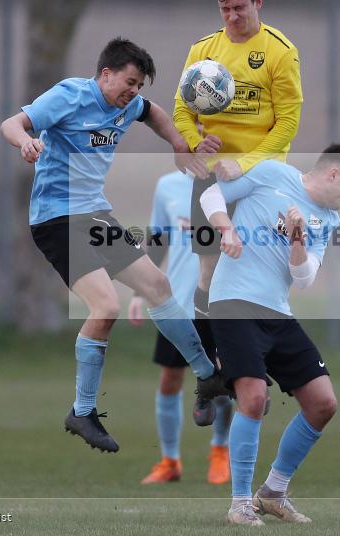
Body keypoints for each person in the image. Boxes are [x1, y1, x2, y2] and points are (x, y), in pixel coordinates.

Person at [0, 37, 229, 454]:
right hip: (56, 219)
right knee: (105, 307)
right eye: (129, 81)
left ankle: (207, 374)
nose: (133, 92)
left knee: (158, 286)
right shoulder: (70, 96)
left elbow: (153, 112)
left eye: (139, 84)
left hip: (95, 216)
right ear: (105, 74)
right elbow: (11, 124)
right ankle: (82, 411)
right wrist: (26, 142)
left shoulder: (129, 105)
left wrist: (179, 144)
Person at [199, 144, 340, 526]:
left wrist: (296, 241)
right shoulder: (274, 174)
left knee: (323, 403)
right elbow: (212, 193)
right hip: (234, 303)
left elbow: (304, 279)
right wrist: (226, 229)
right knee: (254, 398)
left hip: (278, 312)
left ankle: (273, 493)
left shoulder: (329, 220)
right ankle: (240, 504)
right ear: (333, 174)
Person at [173, 0, 303, 410]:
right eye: (225, 9)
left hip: (263, 183)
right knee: (207, 274)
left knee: (259, 276)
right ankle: (211, 374)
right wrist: (196, 142)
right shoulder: (203, 52)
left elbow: (287, 123)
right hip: (211, 180)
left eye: (240, 8)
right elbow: (180, 111)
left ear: (258, 2)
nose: (232, 17)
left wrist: (244, 164)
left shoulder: (280, 52)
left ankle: (252, 371)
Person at [128, 171, 234, 485]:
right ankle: (170, 461)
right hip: (177, 304)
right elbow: (158, 240)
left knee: (222, 377)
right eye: (196, 126)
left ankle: (220, 452)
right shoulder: (167, 185)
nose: (204, 135)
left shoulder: (231, 182)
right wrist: (138, 292)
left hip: (217, 303)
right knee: (170, 379)